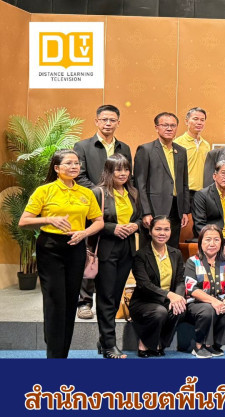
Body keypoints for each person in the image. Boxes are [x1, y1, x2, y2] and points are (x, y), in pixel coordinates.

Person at [19, 150, 104, 358]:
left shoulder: (86, 193)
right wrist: (49, 219)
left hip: (76, 247)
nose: (74, 167)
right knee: (55, 301)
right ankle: (54, 355)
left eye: (76, 163)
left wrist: (85, 232)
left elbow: (99, 221)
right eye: (69, 163)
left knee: (70, 301)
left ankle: (61, 354)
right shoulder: (44, 190)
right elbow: (24, 221)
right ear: (57, 168)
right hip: (50, 247)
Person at [74, 105, 132, 320]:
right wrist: (100, 194)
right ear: (96, 121)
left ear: (118, 122)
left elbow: (128, 176)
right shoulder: (82, 146)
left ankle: (108, 305)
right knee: (91, 252)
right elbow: (79, 176)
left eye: (112, 120)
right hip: (92, 204)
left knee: (108, 257)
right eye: (104, 119)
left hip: (117, 206)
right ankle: (84, 301)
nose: (108, 123)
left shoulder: (124, 147)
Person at [92, 154, 141, 359]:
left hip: (127, 249)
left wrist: (135, 225)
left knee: (115, 297)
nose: (123, 173)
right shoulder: (98, 192)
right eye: (118, 170)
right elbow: (90, 222)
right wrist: (113, 228)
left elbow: (139, 217)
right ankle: (109, 345)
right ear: (109, 171)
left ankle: (104, 339)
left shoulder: (133, 192)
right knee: (106, 297)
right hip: (106, 249)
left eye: (126, 169)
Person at [129, 216, 186, 358]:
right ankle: (144, 343)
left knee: (179, 309)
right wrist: (169, 295)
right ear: (150, 231)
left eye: (166, 229)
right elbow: (144, 285)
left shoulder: (176, 253)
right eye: (158, 229)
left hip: (167, 300)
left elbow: (180, 281)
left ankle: (160, 343)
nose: (162, 233)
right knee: (160, 312)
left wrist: (178, 298)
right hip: (144, 301)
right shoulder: (141, 255)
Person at [134, 112, 190, 248]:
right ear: (156, 127)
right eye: (165, 125)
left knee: (172, 247)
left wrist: (184, 210)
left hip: (176, 208)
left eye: (173, 125)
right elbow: (139, 184)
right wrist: (145, 212)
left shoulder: (181, 151)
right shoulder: (146, 150)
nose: (169, 128)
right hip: (154, 208)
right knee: (149, 248)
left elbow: (184, 183)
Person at [184, 225, 225, 358]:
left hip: (220, 301)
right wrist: (213, 301)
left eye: (216, 240)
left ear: (221, 242)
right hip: (197, 303)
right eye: (207, 239)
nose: (212, 244)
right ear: (200, 242)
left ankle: (213, 345)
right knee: (208, 309)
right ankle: (198, 346)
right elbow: (191, 288)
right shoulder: (192, 261)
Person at [193, 160, 225, 264]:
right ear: (214, 176)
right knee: (223, 263)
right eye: (223, 173)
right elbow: (200, 225)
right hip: (211, 241)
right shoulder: (202, 195)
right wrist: (220, 246)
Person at [173, 107, 210, 206]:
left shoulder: (206, 145)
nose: (199, 122)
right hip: (184, 192)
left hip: (202, 192)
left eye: (202, 120)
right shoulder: (177, 143)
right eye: (195, 119)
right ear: (186, 121)